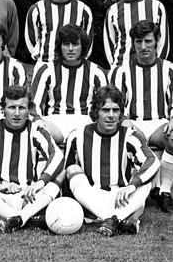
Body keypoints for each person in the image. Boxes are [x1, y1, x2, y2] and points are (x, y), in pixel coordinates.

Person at [0, 85, 64, 233]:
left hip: (28, 194)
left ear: (29, 109)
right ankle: (23, 218)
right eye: (11, 107)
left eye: (22, 108)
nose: (17, 113)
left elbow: (57, 157)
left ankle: (14, 218)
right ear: (3, 109)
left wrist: (39, 183)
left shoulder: (37, 131)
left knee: (62, 172)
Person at [109, 20, 173, 213]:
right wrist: (125, 120)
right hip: (132, 122)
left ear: (157, 41)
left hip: (160, 123)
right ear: (133, 44)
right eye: (138, 41)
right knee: (137, 139)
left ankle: (164, 191)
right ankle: (147, 188)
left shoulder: (171, 69)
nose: (143, 46)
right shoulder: (120, 71)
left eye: (148, 41)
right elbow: (115, 103)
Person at [64, 85, 159, 236]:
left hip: (121, 197)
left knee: (145, 181)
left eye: (115, 110)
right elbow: (66, 173)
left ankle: (112, 220)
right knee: (72, 170)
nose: (111, 115)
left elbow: (153, 162)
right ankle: (118, 219)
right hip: (90, 198)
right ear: (96, 112)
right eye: (105, 110)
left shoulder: (130, 136)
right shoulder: (77, 136)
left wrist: (132, 186)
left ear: (121, 113)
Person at [30, 25, 107, 145]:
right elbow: (33, 105)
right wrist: (38, 121)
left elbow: (106, 105)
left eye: (75, 44)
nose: (70, 49)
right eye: (66, 44)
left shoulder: (97, 72)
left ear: (83, 47)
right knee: (37, 130)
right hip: (54, 123)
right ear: (59, 46)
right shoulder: (46, 70)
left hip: (85, 122)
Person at [103, 0, 168, 68]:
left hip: (151, 69)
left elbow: (163, 42)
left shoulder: (156, 7)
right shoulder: (113, 11)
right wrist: (116, 69)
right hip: (122, 70)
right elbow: (109, 45)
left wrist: (156, 67)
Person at [25, 0, 93, 62]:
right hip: (46, 65)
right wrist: (40, 59)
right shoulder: (37, 9)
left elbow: (87, 41)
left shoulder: (83, 10)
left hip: (73, 68)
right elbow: (30, 40)